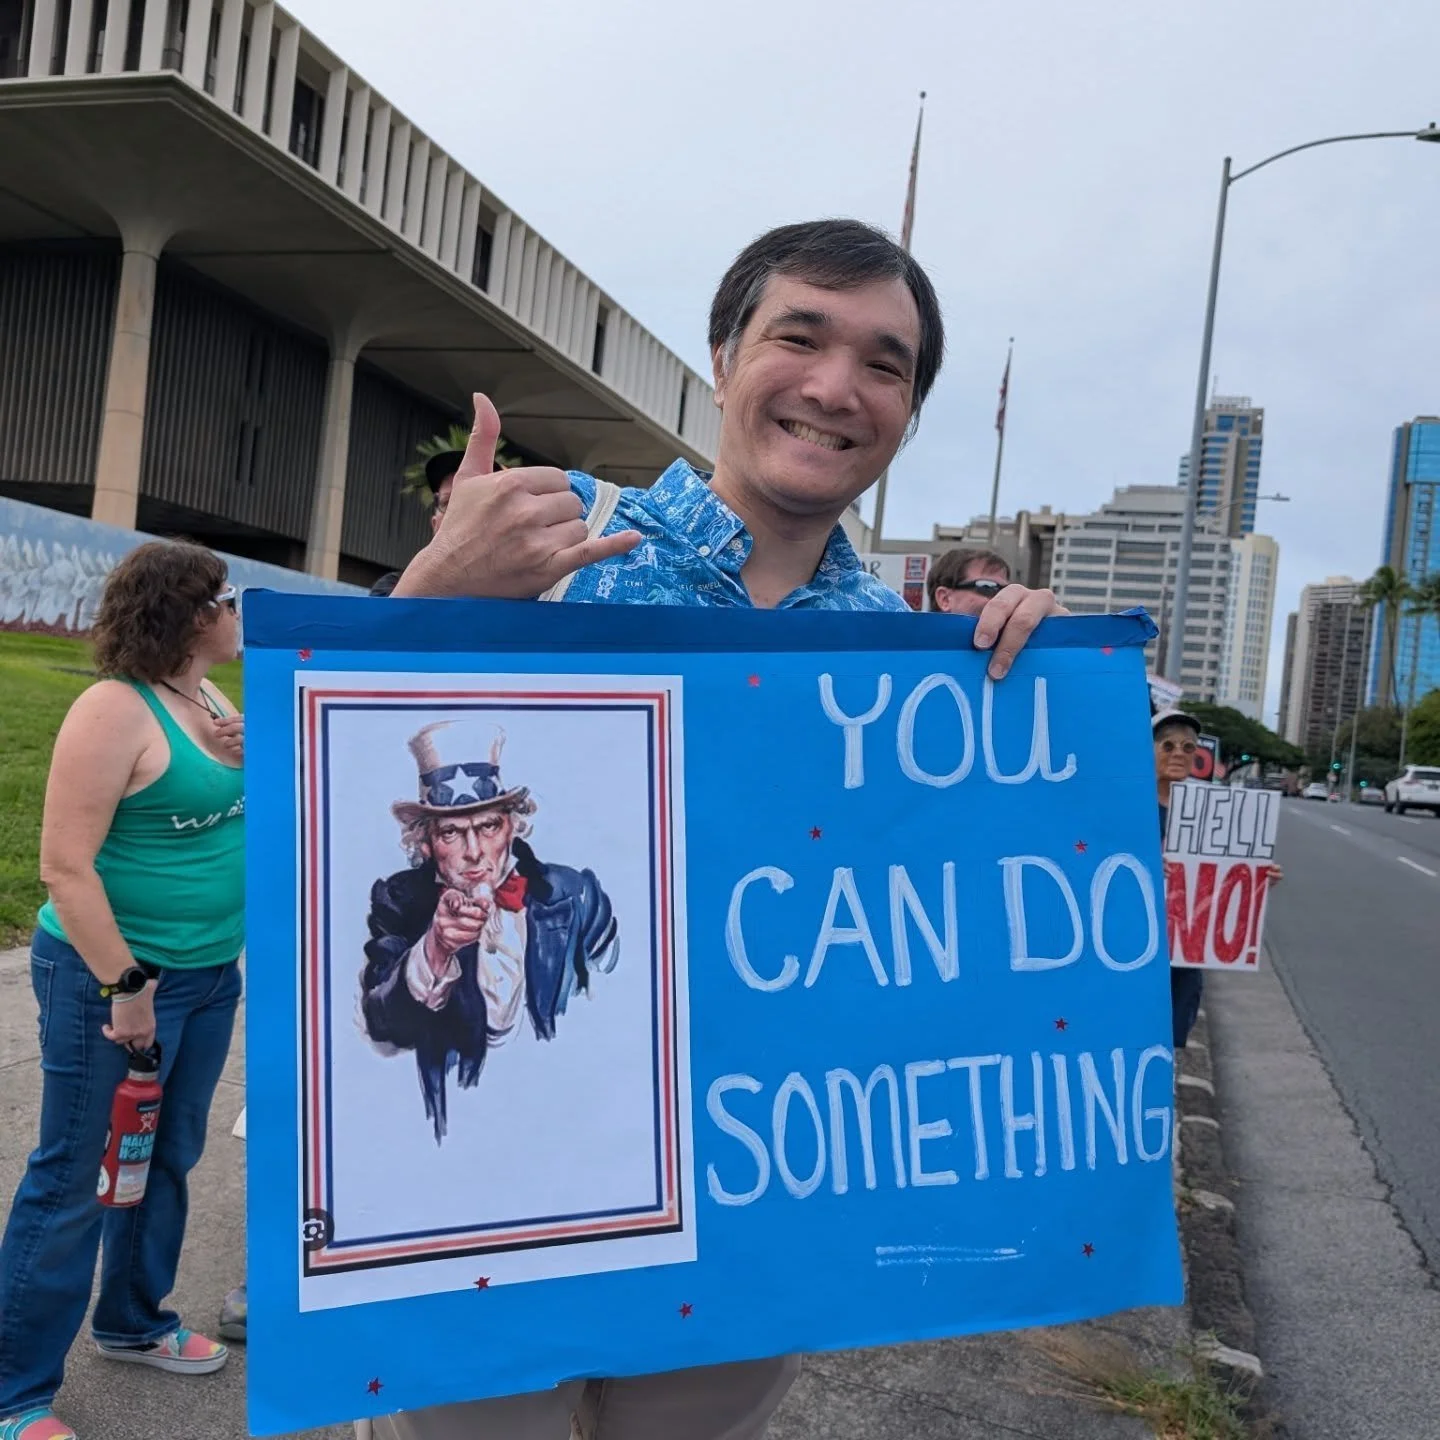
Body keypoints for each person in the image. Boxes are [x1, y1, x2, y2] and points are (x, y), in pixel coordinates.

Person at [380, 218, 1068, 1440]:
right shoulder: (552, 547)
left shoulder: (915, 670)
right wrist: (426, 602)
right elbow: (325, 814)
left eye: (885, 365)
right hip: (496, 1172)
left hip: (750, 1203)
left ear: (908, 411)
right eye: (798, 337)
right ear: (720, 356)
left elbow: (956, 940)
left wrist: (1044, 712)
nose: (834, 387)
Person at [0, 541, 246, 1440]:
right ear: (186, 614)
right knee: (73, 1177)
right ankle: (14, 1391)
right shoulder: (112, 711)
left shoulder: (208, 697)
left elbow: (220, 816)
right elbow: (65, 868)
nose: (236, 610)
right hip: (112, 979)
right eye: (225, 597)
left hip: (212, 974)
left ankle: (132, 1321)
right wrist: (127, 986)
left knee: (164, 1158)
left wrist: (251, 758)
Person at [361, 721, 618, 1141]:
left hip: (570, 1121)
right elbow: (383, 1025)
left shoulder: (576, 896)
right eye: (451, 832)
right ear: (424, 843)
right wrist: (436, 950)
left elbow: (619, 1009)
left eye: (488, 826)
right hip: (457, 1134)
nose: (475, 851)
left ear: (513, 827)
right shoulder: (399, 902)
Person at [370, 450, 464, 597]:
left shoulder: (511, 593)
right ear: (435, 524)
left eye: (469, 501)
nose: (457, 513)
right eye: (447, 502)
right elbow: (383, 617)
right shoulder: (391, 587)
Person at [927, 546, 1014, 616]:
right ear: (945, 599)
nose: (1003, 600)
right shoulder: (915, 637)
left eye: (1006, 592)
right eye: (987, 587)